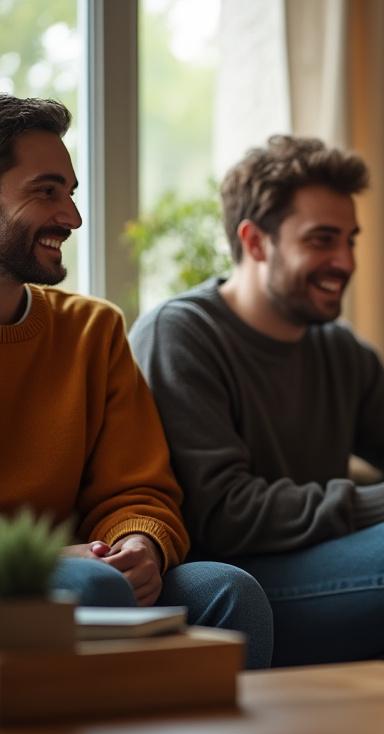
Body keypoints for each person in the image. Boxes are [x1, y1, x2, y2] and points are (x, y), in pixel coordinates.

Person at [129, 135, 384, 666]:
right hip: (227, 572)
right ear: (254, 242)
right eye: (321, 240)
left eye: (350, 240)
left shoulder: (337, 349)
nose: (344, 261)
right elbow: (221, 513)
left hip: (315, 559)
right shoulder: (181, 334)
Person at [0, 94, 272, 668]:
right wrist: (48, 561)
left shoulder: (91, 330)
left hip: (88, 573)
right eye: (46, 191)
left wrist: (139, 543)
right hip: (43, 578)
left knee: (229, 592)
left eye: (71, 193)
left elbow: (137, 490)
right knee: (95, 590)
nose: (71, 217)